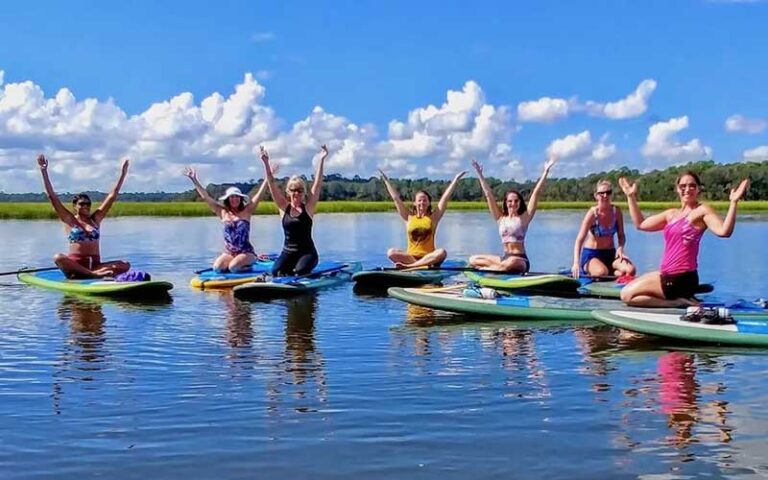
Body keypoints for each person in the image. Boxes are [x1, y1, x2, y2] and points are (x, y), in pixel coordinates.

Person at [618, 172, 749, 307]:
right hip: (667, 275)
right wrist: (630, 196)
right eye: (683, 186)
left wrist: (733, 203)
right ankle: (681, 298)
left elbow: (724, 231)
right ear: (677, 189)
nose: (687, 189)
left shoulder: (702, 211)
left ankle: (676, 302)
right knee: (632, 288)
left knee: (626, 295)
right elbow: (641, 224)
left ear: (698, 189)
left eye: (692, 186)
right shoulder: (671, 214)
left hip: (681, 278)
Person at [37, 154, 131, 278]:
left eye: (88, 203)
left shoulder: (95, 219)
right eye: (82, 204)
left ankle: (95, 273)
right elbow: (52, 197)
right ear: (75, 206)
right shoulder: (69, 219)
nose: (86, 206)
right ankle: (93, 275)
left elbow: (112, 196)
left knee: (125, 264)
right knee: (58, 257)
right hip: (76, 267)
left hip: (96, 265)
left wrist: (123, 174)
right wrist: (43, 171)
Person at [468, 156, 556, 273]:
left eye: (516, 201)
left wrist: (545, 172)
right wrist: (480, 174)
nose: (513, 204)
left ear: (520, 202)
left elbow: (536, 193)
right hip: (505, 258)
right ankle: (497, 268)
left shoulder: (524, 218)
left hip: (519, 260)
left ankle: (486, 269)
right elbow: (488, 194)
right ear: (506, 203)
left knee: (510, 263)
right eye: (510, 201)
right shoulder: (500, 218)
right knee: (473, 259)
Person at [183, 166, 270, 272]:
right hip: (229, 253)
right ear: (228, 199)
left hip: (246, 252)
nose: (234, 199)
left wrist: (267, 175)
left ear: (240, 198)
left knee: (234, 267)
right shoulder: (222, 212)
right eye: (232, 197)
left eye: (237, 197)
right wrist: (194, 180)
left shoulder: (247, 211)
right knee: (217, 268)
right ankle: (234, 264)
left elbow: (259, 194)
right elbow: (206, 197)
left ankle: (248, 265)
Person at [260, 145, 327, 276]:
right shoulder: (283, 207)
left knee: (300, 271)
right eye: (293, 190)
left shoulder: (308, 207)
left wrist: (322, 159)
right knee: (275, 271)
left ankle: (302, 270)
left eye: (299, 190)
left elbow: (317, 184)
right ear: (288, 192)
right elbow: (271, 183)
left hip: (307, 252)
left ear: (303, 192)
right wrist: (266, 163)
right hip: (288, 252)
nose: (296, 193)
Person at [380, 169, 466, 269]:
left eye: (425, 200)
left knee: (442, 252)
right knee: (391, 252)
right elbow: (396, 199)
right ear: (415, 203)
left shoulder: (433, 217)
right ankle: (418, 265)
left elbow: (445, 198)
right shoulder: (408, 217)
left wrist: (456, 179)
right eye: (419, 200)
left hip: (430, 258)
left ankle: (412, 266)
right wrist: (386, 180)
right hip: (411, 257)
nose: (422, 202)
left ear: (429, 203)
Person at [571, 180, 636, 279]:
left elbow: (621, 235)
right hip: (592, 255)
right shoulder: (592, 214)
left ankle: (614, 272)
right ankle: (597, 270)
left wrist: (620, 248)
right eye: (602, 193)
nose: (605, 196)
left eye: (608, 193)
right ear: (596, 196)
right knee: (601, 273)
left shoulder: (616, 212)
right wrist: (576, 263)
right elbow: (579, 240)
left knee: (631, 270)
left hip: (611, 254)